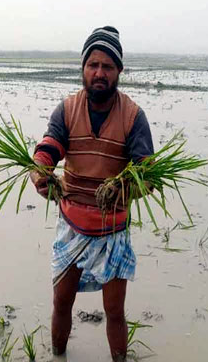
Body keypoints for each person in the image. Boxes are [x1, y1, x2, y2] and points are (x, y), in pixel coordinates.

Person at [30, 26, 154, 362]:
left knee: (114, 311)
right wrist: (40, 169)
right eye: (93, 65)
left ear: (119, 72)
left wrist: (125, 184)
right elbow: (49, 147)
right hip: (72, 226)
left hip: (113, 230)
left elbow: (148, 172)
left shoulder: (133, 117)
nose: (99, 73)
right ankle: (58, 355)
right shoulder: (67, 111)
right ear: (83, 68)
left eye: (107, 66)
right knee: (62, 301)